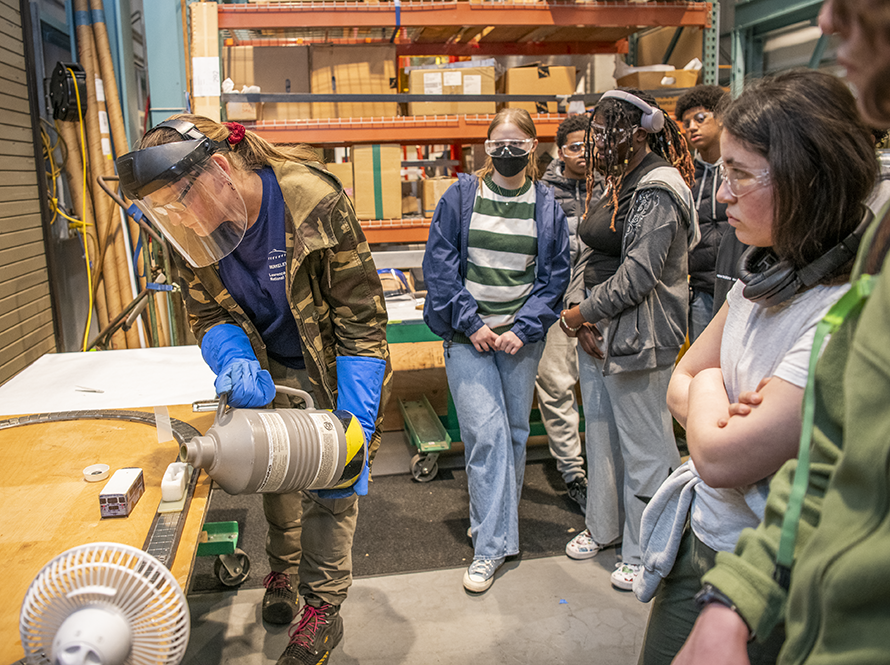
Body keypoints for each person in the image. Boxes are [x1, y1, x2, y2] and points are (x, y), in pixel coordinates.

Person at [116, 115, 391, 665]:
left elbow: (362, 320)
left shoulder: (311, 200)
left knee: (332, 490)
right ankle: (284, 572)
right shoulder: (189, 226)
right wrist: (234, 354)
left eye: (182, 203)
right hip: (266, 367)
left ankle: (323, 609)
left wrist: (352, 426)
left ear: (219, 169)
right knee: (278, 480)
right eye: (168, 209)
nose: (182, 219)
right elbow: (206, 312)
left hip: (333, 366)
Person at [635, 68, 877, 665]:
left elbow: (717, 458)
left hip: (773, 572)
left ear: (806, 180)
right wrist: (718, 395)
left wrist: (708, 393)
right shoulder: (760, 280)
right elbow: (682, 384)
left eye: (740, 174)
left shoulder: (841, 316)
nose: (721, 195)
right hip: (704, 539)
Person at [422, 107, 570, 593]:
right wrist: (473, 323)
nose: (506, 152)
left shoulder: (547, 205)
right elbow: (440, 268)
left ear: (532, 147)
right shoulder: (461, 197)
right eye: (498, 144)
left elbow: (553, 280)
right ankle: (490, 548)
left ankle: (498, 532)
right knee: (484, 438)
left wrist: (523, 329)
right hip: (469, 338)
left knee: (511, 436)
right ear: (487, 148)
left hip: (518, 341)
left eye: (516, 144)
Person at [559, 88, 698, 591]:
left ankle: (646, 549)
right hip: (596, 332)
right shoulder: (613, 181)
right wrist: (582, 317)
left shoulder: (659, 187)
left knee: (645, 449)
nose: (597, 138)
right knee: (599, 436)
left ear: (641, 133)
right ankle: (604, 528)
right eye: (595, 129)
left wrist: (580, 315)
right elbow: (587, 253)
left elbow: (640, 275)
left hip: (640, 337)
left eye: (609, 129)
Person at [536, 113, 604, 511]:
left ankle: (604, 467)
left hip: (603, 306)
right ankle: (573, 474)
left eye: (589, 145)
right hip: (560, 308)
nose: (583, 154)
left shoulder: (613, 186)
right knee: (557, 389)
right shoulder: (544, 194)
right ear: (561, 152)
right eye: (575, 147)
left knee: (601, 390)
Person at [675, 85, 731, 341]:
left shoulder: (739, 168)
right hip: (700, 290)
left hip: (740, 286)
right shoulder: (684, 176)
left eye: (700, 119)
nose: (691, 128)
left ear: (721, 118)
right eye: (686, 123)